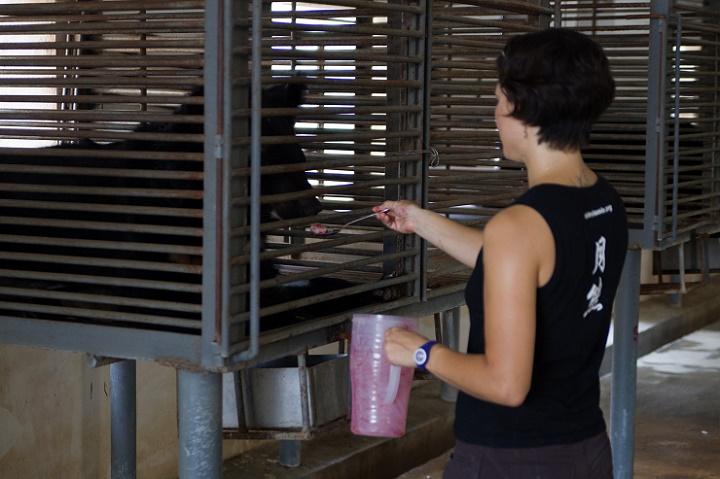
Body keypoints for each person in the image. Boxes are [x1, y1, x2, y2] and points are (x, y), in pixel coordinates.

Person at [374, 28, 628, 479]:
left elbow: (507, 385)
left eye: (498, 101)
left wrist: (419, 351)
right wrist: (419, 220)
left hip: (512, 458)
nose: (495, 115)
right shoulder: (602, 199)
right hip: (586, 449)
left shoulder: (521, 224)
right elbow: (525, 264)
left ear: (524, 112)